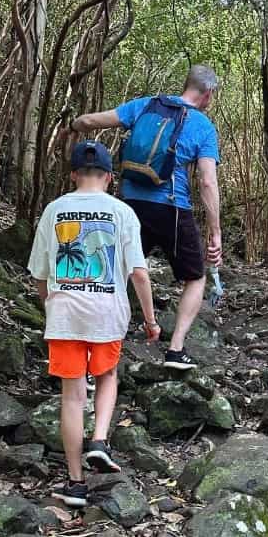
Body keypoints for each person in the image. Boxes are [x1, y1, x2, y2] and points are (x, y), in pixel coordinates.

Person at [62, 64, 222, 371]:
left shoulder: (145, 105)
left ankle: (91, 343)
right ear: (208, 94)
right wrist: (215, 231)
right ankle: (175, 351)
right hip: (172, 208)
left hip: (130, 204)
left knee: (116, 270)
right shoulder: (202, 126)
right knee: (195, 277)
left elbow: (92, 120)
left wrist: (72, 125)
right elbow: (207, 181)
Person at [28, 140, 161, 507]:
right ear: (109, 176)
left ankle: (75, 485)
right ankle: (99, 439)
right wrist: (151, 320)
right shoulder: (121, 212)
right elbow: (138, 273)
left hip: (65, 315)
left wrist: (49, 307)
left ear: (73, 174)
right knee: (107, 376)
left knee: (71, 398)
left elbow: (39, 274)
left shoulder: (54, 211)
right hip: (107, 314)